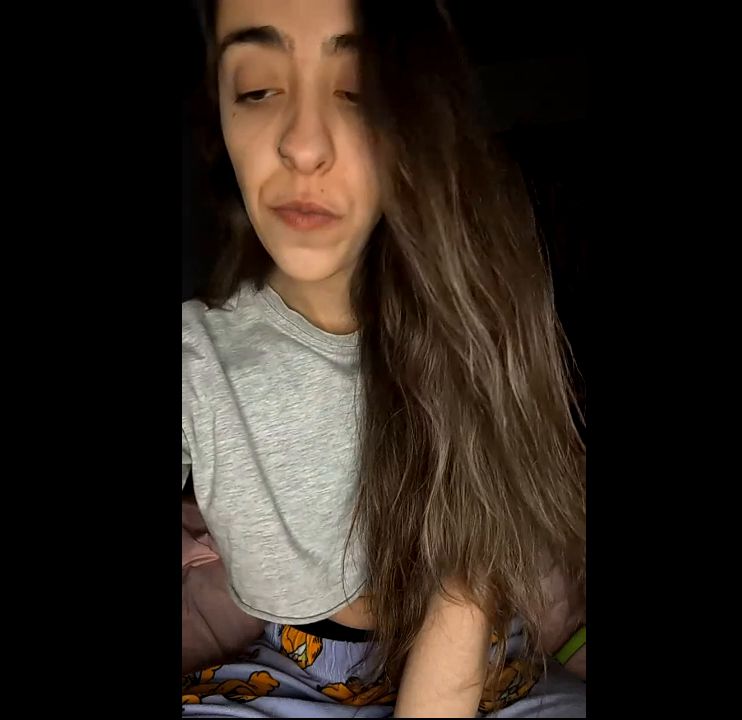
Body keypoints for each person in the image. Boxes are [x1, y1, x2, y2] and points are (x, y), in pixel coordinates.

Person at [182, 0, 586, 715]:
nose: (302, 146)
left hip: (482, 663)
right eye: (257, 89)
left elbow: (467, 592)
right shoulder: (198, 358)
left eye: (355, 91)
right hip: (295, 668)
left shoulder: (475, 322)